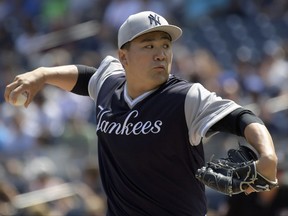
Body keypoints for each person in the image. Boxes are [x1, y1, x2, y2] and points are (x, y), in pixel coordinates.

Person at [4, 11, 278, 216]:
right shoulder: (109, 84)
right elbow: (84, 77)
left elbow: (243, 118)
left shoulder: (186, 97)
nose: (161, 53)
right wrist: (42, 74)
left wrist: (267, 155)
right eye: (149, 46)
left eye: (165, 45)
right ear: (124, 57)